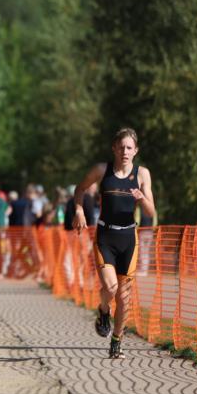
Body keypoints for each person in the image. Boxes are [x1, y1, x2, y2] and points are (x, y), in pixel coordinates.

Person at [73, 127, 156, 359]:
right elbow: (80, 189)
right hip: (105, 237)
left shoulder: (142, 174)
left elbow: (151, 210)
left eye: (129, 148)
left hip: (129, 239)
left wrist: (143, 198)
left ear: (136, 150)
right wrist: (79, 210)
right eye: (121, 147)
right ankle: (103, 310)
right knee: (111, 288)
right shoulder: (102, 170)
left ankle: (117, 342)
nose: (125, 151)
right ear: (114, 148)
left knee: (124, 295)